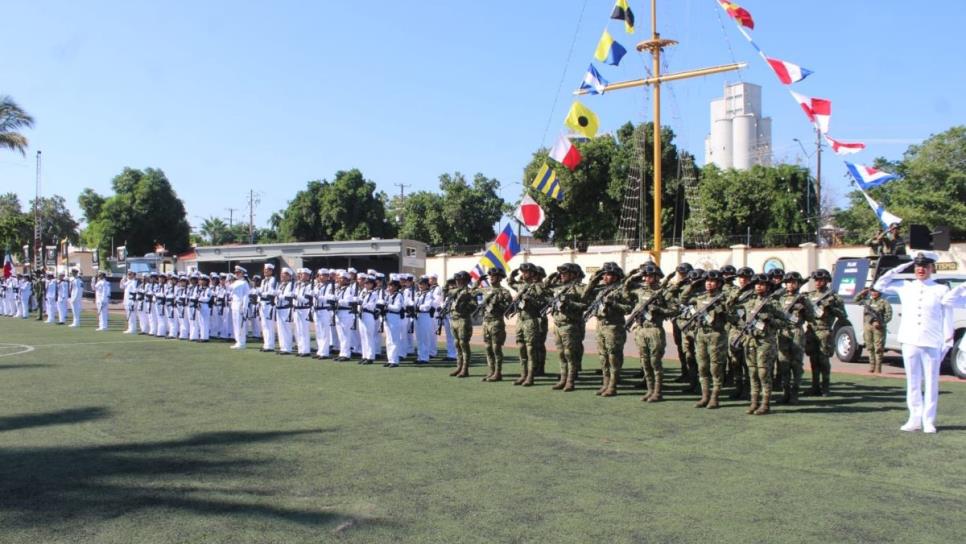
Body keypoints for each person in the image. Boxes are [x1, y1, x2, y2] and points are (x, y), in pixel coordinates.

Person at [874, 252, 954, 433]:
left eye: (925, 266)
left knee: (932, 382)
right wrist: (902, 266)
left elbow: (948, 314)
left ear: (931, 268)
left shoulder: (941, 289)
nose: (921, 270)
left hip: (932, 341)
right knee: (913, 381)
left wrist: (948, 339)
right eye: (917, 266)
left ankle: (929, 421)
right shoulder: (905, 286)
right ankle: (914, 418)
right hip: (909, 339)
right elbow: (880, 284)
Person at [738, 274, 792, 415]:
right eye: (756, 284)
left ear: (768, 287)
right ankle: (754, 402)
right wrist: (741, 324)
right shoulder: (749, 301)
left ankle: (765, 404)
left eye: (761, 284)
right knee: (753, 372)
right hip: (750, 340)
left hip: (765, 342)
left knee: (763, 373)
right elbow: (735, 311)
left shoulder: (773, 303)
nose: (758, 286)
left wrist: (770, 320)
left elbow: (786, 322)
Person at [625, 262, 675, 402]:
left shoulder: (664, 292)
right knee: (645, 362)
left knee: (655, 363)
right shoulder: (641, 290)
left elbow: (674, 310)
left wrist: (659, 310)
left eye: (648, 276)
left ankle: (658, 392)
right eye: (644, 276)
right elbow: (626, 288)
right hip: (641, 330)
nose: (646, 278)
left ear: (657, 276)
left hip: (654, 330)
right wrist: (636, 274)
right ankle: (650, 390)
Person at [583, 262, 634, 397]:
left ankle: (613, 385)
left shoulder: (621, 290)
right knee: (603, 356)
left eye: (609, 275)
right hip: (601, 325)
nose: (605, 277)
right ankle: (605, 383)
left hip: (614, 326)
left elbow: (629, 308)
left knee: (613, 356)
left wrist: (614, 304)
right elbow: (584, 295)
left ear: (616, 276)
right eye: (604, 274)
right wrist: (594, 279)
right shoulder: (600, 289)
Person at [687, 270, 732, 409]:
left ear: (718, 283)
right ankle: (704, 396)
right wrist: (693, 285)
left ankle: (715, 397)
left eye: (712, 281)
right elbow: (683, 299)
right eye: (706, 281)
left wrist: (722, 309)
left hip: (716, 335)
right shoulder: (700, 297)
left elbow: (731, 316)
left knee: (716, 368)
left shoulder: (724, 298)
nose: (708, 283)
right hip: (701, 334)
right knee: (702, 367)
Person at [805, 268, 849, 396]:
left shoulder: (833, 297)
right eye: (816, 280)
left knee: (823, 361)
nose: (818, 282)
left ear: (827, 281)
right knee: (813, 360)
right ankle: (814, 386)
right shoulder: (809, 295)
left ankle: (825, 387)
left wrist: (831, 308)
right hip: (811, 330)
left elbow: (843, 315)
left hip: (824, 331)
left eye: (821, 280)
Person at [545, 263, 586, 391]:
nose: (562, 276)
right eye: (561, 274)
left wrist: (569, 303)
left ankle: (570, 381)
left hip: (570, 326)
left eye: (565, 273)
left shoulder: (581, 288)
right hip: (558, 325)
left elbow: (585, 305)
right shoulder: (559, 287)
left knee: (570, 355)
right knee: (561, 354)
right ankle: (563, 379)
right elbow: (546, 286)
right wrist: (554, 276)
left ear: (574, 275)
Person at [776, 272, 814, 404]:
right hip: (783, 332)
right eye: (788, 282)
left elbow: (811, 318)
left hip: (796, 332)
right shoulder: (780, 299)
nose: (790, 285)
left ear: (798, 284)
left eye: (793, 282)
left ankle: (795, 394)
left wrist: (804, 309)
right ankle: (785, 393)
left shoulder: (803, 298)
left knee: (796, 365)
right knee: (783, 364)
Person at [471, 267, 513, 382]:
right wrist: (478, 282)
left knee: (496, 348)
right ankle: (491, 371)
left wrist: (500, 305)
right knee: (488, 348)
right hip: (486, 322)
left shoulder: (504, 292)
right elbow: (471, 292)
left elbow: (510, 308)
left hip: (496, 322)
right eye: (490, 276)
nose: (491, 278)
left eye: (494, 276)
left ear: (500, 278)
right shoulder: (486, 289)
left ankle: (498, 372)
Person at [853, 286, 893, 374]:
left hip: (878, 328)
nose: (874, 293)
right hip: (867, 326)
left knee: (878, 348)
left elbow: (889, 315)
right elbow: (855, 300)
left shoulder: (884, 302)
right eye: (872, 291)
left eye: (876, 291)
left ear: (880, 292)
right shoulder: (868, 301)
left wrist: (881, 323)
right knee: (869, 346)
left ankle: (878, 368)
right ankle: (871, 366)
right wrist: (864, 291)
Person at [446, 271, 478, 378]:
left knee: (464, 344)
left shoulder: (469, 291)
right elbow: (444, 292)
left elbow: (474, 306)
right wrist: (447, 283)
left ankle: (465, 369)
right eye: (457, 280)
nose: (458, 282)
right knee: (456, 344)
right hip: (454, 319)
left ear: (466, 281)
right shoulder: (455, 291)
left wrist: (464, 307)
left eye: (460, 280)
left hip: (463, 320)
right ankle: (459, 367)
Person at [229, 266, 251, 350]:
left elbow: (246, 295)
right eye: (236, 273)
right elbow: (229, 289)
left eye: (238, 272)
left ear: (242, 273)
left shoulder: (244, 283)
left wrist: (244, 306)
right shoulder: (235, 282)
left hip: (240, 305)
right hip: (234, 304)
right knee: (235, 324)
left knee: (240, 324)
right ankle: (237, 341)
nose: (236, 274)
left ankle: (242, 342)